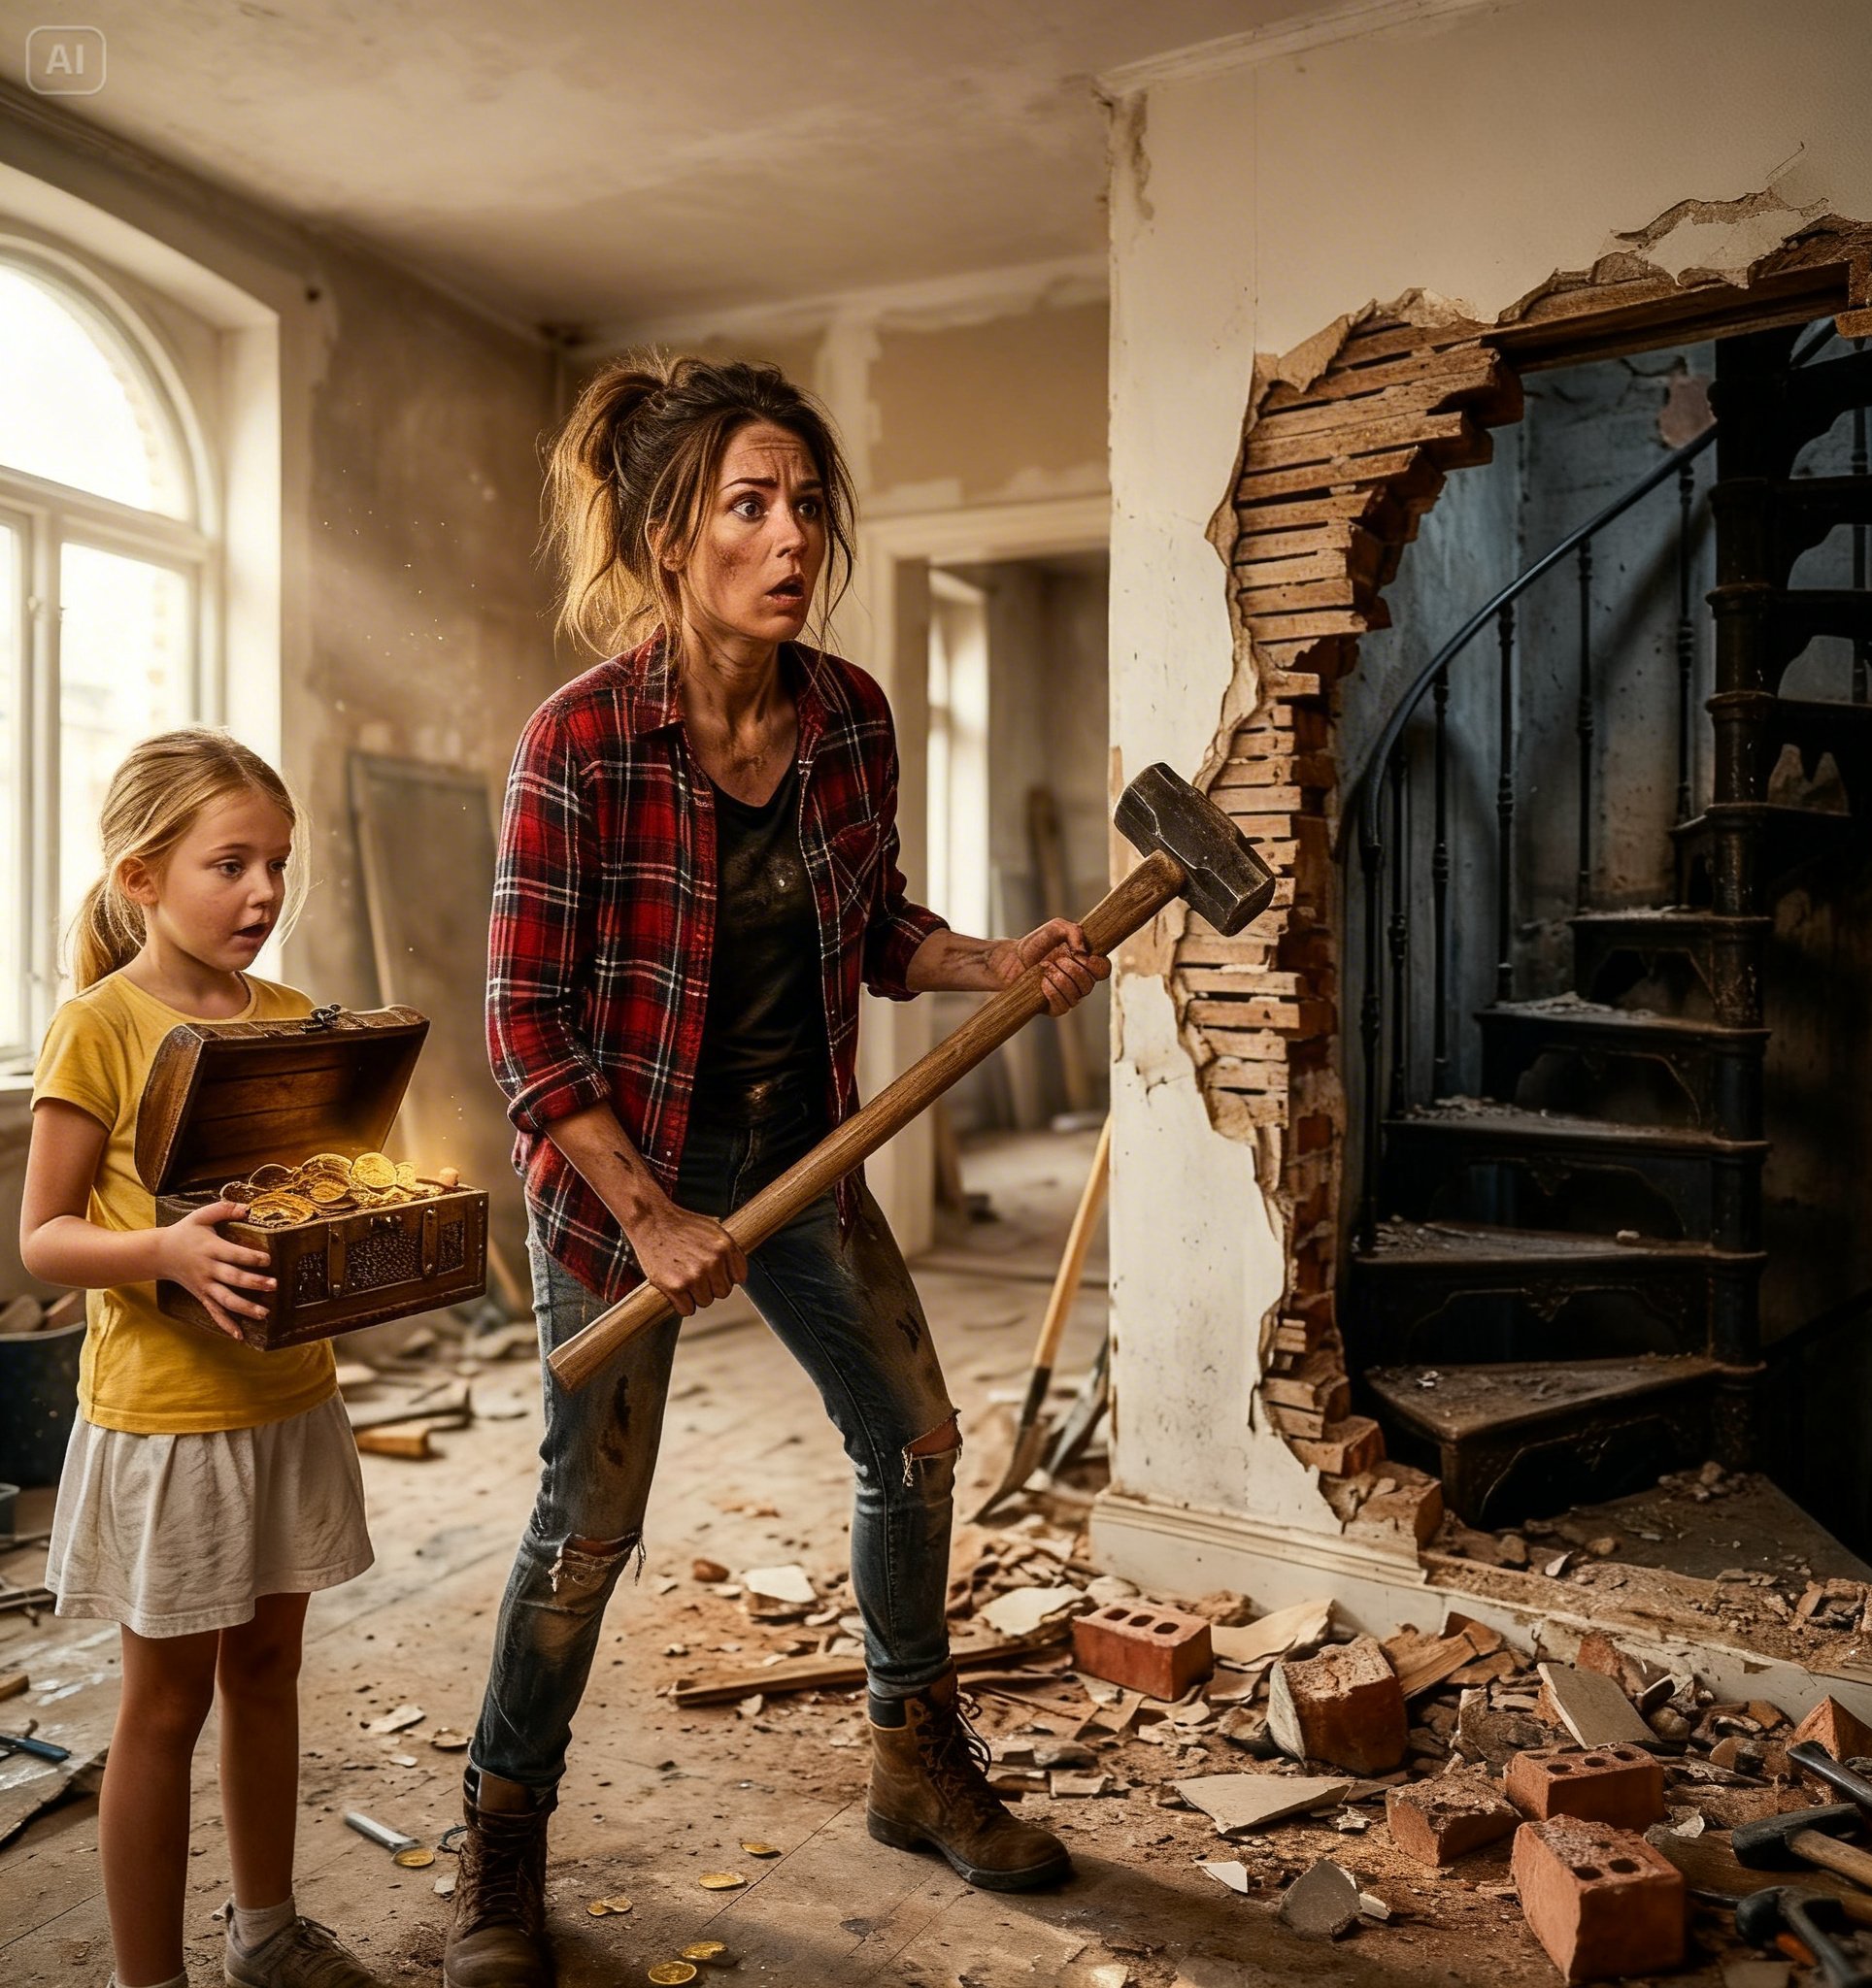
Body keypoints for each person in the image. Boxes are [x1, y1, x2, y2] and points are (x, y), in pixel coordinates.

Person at [448, 354, 1109, 1985]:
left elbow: (875, 928)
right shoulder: (581, 741)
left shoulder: (848, 718)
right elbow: (525, 1028)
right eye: (749, 503)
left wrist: (992, 962)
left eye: (806, 502)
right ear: (674, 538)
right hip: (625, 1174)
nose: (790, 533)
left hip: (802, 1149)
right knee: (588, 1518)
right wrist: (651, 1215)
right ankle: (501, 1831)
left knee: (920, 1443)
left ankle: (910, 1757)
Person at [18, 731, 383, 1988]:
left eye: (277, 864)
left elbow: (316, 1190)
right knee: (163, 1712)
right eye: (229, 864)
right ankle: (148, 1978)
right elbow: (45, 1240)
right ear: (140, 876)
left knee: (270, 1672)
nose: (264, 893)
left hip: (289, 1401)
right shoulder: (100, 1026)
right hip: (167, 1426)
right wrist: (164, 1253)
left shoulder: (293, 1019)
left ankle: (265, 1930)